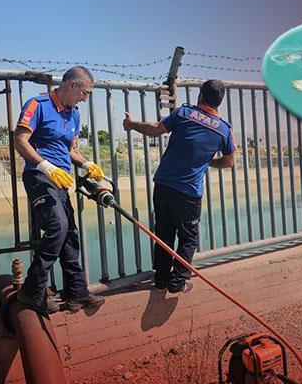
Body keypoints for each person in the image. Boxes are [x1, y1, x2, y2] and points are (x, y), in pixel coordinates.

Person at [123, 79, 236, 293]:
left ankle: (162, 279)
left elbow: (156, 129)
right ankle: (178, 282)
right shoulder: (224, 130)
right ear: (219, 102)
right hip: (189, 193)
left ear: (200, 96)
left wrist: (132, 124)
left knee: (164, 233)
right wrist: (209, 162)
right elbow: (229, 161)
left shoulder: (184, 114)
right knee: (188, 238)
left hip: (163, 185)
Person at [14, 66, 105, 315]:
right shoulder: (38, 104)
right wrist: (45, 166)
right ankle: (32, 292)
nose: (85, 98)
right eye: (85, 93)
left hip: (62, 181)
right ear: (72, 85)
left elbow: (71, 150)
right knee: (58, 227)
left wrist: (87, 163)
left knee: (69, 234)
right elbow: (20, 139)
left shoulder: (74, 115)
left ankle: (76, 293)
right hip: (40, 178)